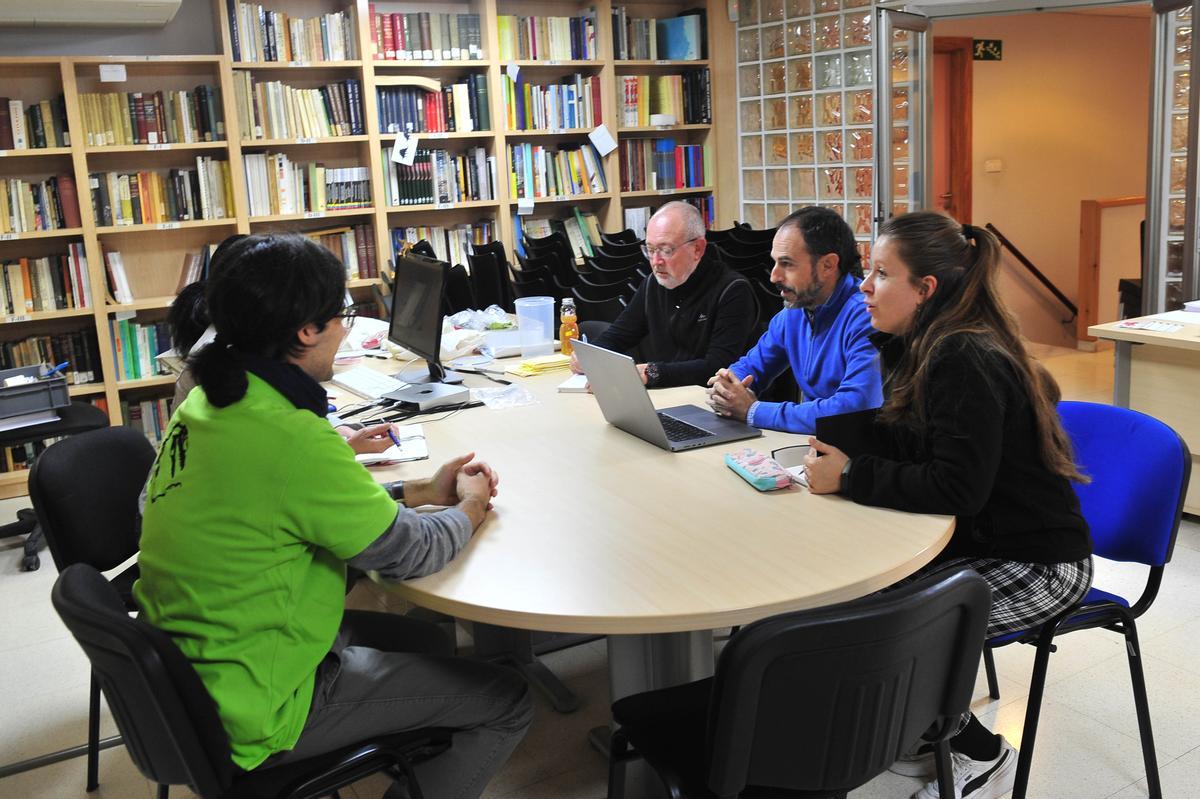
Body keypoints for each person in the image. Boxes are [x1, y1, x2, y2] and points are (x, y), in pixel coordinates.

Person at [134, 233, 532, 799]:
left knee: (427, 643)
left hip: (194, 670)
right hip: (262, 701)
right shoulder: (291, 435)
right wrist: (470, 506)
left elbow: (288, 506)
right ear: (305, 331)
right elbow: (408, 554)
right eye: (342, 314)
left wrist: (419, 491)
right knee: (507, 699)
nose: (347, 328)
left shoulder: (208, 403)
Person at [803, 212, 1093, 799]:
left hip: (1039, 561)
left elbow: (957, 488)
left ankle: (983, 755)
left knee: (899, 629)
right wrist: (842, 450)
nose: (864, 286)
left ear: (925, 289)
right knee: (858, 595)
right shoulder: (924, 343)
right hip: (986, 540)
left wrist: (854, 474)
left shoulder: (964, 356)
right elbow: (917, 444)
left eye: (881, 274)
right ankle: (914, 732)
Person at [707, 206, 882, 433]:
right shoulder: (794, 313)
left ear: (828, 265)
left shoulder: (866, 317)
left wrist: (754, 410)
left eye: (787, 264)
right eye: (775, 262)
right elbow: (751, 367)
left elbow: (853, 409)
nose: (774, 276)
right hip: (811, 448)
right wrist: (728, 386)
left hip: (858, 454)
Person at [570, 201, 756, 388]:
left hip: (708, 401)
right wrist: (589, 355)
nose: (656, 261)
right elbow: (619, 335)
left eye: (666, 250)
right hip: (666, 395)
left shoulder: (733, 291)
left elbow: (718, 367)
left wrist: (650, 373)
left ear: (697, 249)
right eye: (650, 250)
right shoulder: (653, 283)